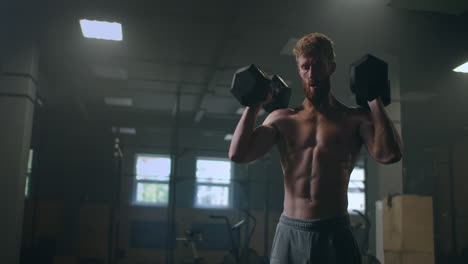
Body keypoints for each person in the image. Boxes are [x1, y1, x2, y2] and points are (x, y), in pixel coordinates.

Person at [228, 33, 403, 263]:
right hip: (290, 231)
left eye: (318, 65)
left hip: (335, 232)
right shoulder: (282, 119)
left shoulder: (355, 119)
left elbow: (389, 154)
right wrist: (254, 104)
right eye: (305, 67)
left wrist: (374, 99)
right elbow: (238, 154)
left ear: (331, 67)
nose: (311, 74)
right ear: (299, 70)